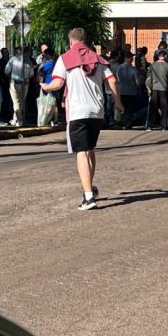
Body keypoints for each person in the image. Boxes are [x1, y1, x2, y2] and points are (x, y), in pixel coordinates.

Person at [40, 28, 123, 211]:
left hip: (77, 111)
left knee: (81, 152)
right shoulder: (98, 59)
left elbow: (58, 83)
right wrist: (117, 102)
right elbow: (112, 81)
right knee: (90, 149)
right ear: (85, 41)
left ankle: (88, 196)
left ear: (71, 42)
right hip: (97, 111)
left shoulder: (65, 59)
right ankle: (90, 187)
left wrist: (45, 87)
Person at [5, 45, 34, 127]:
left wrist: (10, 76)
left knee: (16, 102)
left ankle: (20, 120)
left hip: (14, 82)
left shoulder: (13, 59)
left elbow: (6, 70)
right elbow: (31, 74)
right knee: (21, 101)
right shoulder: (28, 61)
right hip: (25, 83)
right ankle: (15, 119)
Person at [146, 50, 168, 131]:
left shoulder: (152, 65)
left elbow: (148, 76)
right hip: (164, 88)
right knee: (164, 108)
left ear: (158, 56)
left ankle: (150, 125)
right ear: (165, 56)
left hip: (154, 88)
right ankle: (163, 126)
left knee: (153, 107)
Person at [115, 52, 141, 129]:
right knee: (130, 109)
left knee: (122, 108)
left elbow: (117, 79)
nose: (132, 59)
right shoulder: (133, 69)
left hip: (121, 90)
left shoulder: (119, 67)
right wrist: (138, 88)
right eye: (131, 57)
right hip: (131, 91)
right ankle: (128, 123)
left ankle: (121, 123)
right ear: (128, 58)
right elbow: (137, 81)